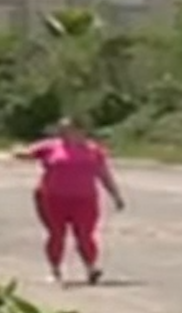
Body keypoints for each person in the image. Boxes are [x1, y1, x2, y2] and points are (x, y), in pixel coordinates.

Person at [16, 118, 125, 285]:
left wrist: (115, 195)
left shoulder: (93, 150)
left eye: (69, 129)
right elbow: (25, 153)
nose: (64, 132)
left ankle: (91, 268)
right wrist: (21, 153)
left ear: (81, 130)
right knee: (56, 235)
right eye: (62, 129)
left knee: (85, 235)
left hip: (84, 199)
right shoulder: (50, 147)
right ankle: (55, 270)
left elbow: (103, 174)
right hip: (53, 198)